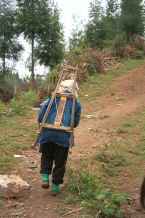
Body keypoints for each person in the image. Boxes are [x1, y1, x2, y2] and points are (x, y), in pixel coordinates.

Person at [38, 80, 81, 196]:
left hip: (47, 134)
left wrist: (42, 125)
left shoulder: (52, 98)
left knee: (46, 155)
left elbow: (41, 115)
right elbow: (75, 122)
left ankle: (45, 178)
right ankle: (55, 186)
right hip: (63, 137)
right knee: (60, 162)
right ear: (75, 89)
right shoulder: (75, 103)